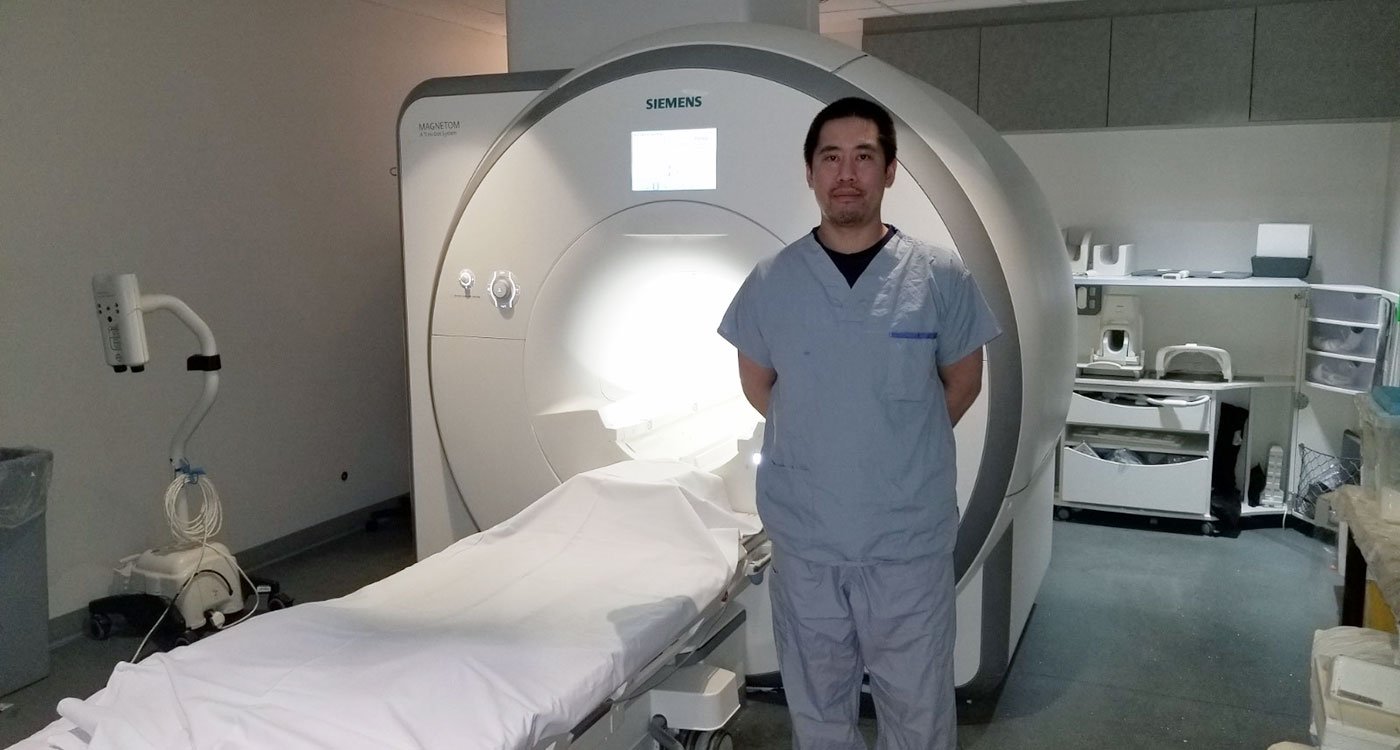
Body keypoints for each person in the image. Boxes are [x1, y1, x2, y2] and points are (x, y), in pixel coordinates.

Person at [717, 97, 1001, 750]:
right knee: (818, 716)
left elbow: (964, 383)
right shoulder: (772, 282)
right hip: (809, 546)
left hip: (908, 548)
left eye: (864, 157)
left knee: (920, 715)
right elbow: (759, 388)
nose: (847, 173)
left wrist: (892, 444)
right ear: (811, 173)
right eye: (831, 158)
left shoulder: (941, 278)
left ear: (890, 171)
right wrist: (831, 435)